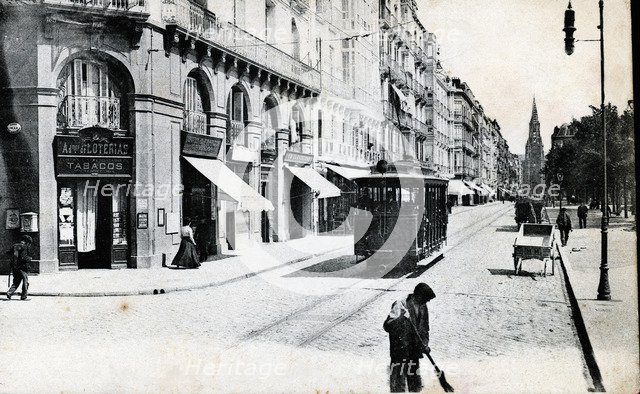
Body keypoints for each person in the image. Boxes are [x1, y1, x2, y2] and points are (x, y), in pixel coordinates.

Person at [383, 283, 436, 392]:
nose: (427, 302)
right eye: (426, 299)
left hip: (414, 351)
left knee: (416, 386)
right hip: (400, 351)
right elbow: (387, 326)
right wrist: (401, 318)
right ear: (418, 296)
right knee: (398, 385)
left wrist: (425, 344)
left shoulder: (423, 306)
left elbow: (424, 328)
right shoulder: (401, 304)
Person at [5, 235, 33, 300]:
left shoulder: (15, 246)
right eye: (29, 243)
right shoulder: (24, 247)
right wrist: (29, 259)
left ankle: (9, 292)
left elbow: (8, 252)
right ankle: (24, 296)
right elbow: (23, 257)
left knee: (16, 281)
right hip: (22, 267)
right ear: (27, 242)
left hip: (15, 267)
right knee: (25, 281)